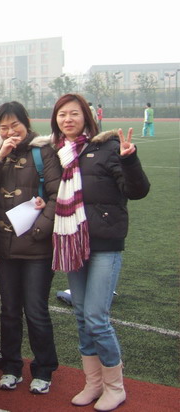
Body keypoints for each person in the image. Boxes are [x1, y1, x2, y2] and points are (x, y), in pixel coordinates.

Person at [50, 94, 150, 411]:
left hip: (104, 244)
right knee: (81, 316)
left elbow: (137, 191)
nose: (68, 119)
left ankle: (115, 387)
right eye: (62, 114)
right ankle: (93, 383)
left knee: (96, 317)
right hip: (73, 243)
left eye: (74, 113)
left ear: (86, 117)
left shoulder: (106, 148)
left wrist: (129, 160)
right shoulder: (59, 153)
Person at [0, 101, 61, 394]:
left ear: (26, 123)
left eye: (14, 125)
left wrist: (40, 230)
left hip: (36, 246)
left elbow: (56, 194)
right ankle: (12, 366)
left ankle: (43, 369)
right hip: (5, 246)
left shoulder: (43, 151)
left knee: (37, 310)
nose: (10, 131)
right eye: (3, 127)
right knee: (10, 310)